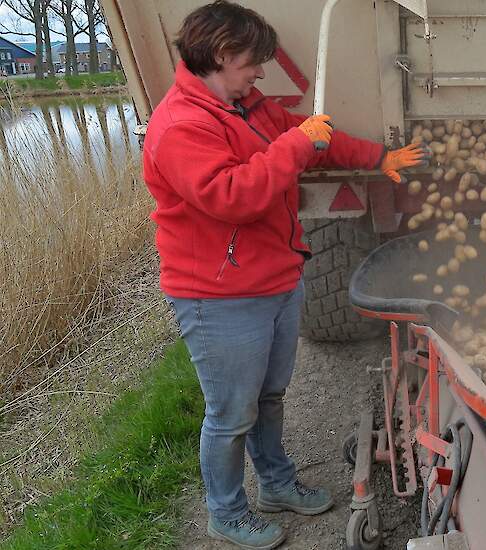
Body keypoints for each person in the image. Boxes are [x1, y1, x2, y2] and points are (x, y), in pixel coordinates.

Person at [141, 2, 425, 548]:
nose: (260, 71)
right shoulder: (180, 125)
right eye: (252, 61)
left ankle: (274, 484)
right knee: (230, 414)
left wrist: (377, 157)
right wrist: (297, 145)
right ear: (223, 55)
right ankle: (225, 512)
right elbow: (233, 197)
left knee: (269, 398)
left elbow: (310, 138)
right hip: (219, 296)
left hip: (275, 280)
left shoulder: (245, 105)